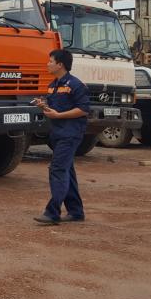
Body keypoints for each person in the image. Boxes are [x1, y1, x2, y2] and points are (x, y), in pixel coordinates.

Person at [33, 49, 90, 225]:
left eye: (50, 61)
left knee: (57, 169)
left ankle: (52, 213)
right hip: (57, 134)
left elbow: (83, 109)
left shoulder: (76, 85)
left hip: (70, 134)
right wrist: (44, 106)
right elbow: (54, 108)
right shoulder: (52, 85)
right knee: (67, 171)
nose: (47, 64)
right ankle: (75, 211)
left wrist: (59, 116)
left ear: (60, 64)